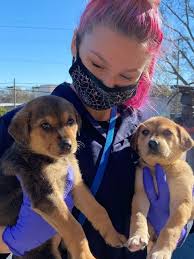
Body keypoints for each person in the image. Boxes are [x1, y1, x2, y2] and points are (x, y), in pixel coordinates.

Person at [0, 0, 192, 258]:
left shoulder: (142, 131)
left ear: (145, 72)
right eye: (97, 65)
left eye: (126, 76)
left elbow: (182, 200)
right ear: (75, 44)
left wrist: (175, 228)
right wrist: (12, 239)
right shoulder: (18, 126)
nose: (108, 84)